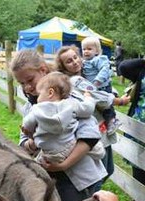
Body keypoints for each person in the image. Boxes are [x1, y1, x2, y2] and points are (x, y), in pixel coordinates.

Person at [11, 49, 108, 201]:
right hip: (47, 174)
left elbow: (90, 136)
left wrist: (64, 165)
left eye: (29, 80)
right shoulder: (31, 105)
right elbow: (24, 142)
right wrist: (32, 143)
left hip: (76, 176)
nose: (27, 87)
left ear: (42, 70)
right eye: (22, 83)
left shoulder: (68, 97)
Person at [55, 45, 131, 187]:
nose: (75, 62)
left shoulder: (85, 75)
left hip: (100, 129)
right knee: (99, 173)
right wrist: (120, 100)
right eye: (69, 61)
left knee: (108, 169)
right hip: (94, 131)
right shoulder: (74, 81)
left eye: (76, 57)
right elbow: (98, 96)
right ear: (63, 67)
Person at [22, 71, 105, 165]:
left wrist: (28, 129)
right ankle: (99, 152)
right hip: (70, 146)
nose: (37, 98)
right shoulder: (71, 104)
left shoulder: (37, 109)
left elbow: (27, 124)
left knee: (37, 164)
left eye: (39, 94)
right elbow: (88, 109)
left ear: (50, 92)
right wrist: (89, 98)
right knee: (95, 147)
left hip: (49, 152)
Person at [118, 58, 145, 201]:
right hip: (139, 121)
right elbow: (123, 67)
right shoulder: (142, 71)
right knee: (138, 157)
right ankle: (140, 196)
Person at [81, 37, 119, 135]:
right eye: (84, 49)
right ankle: (105, 124)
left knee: (107, 105)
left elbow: (104, 69)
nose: (86, 51)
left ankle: (112, 122)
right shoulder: (85, 62)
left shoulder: (98, 59)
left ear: (97, 50)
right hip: (94, 88)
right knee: (100, 108)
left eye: (89, 49)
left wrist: (98, 80)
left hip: (102, 86)